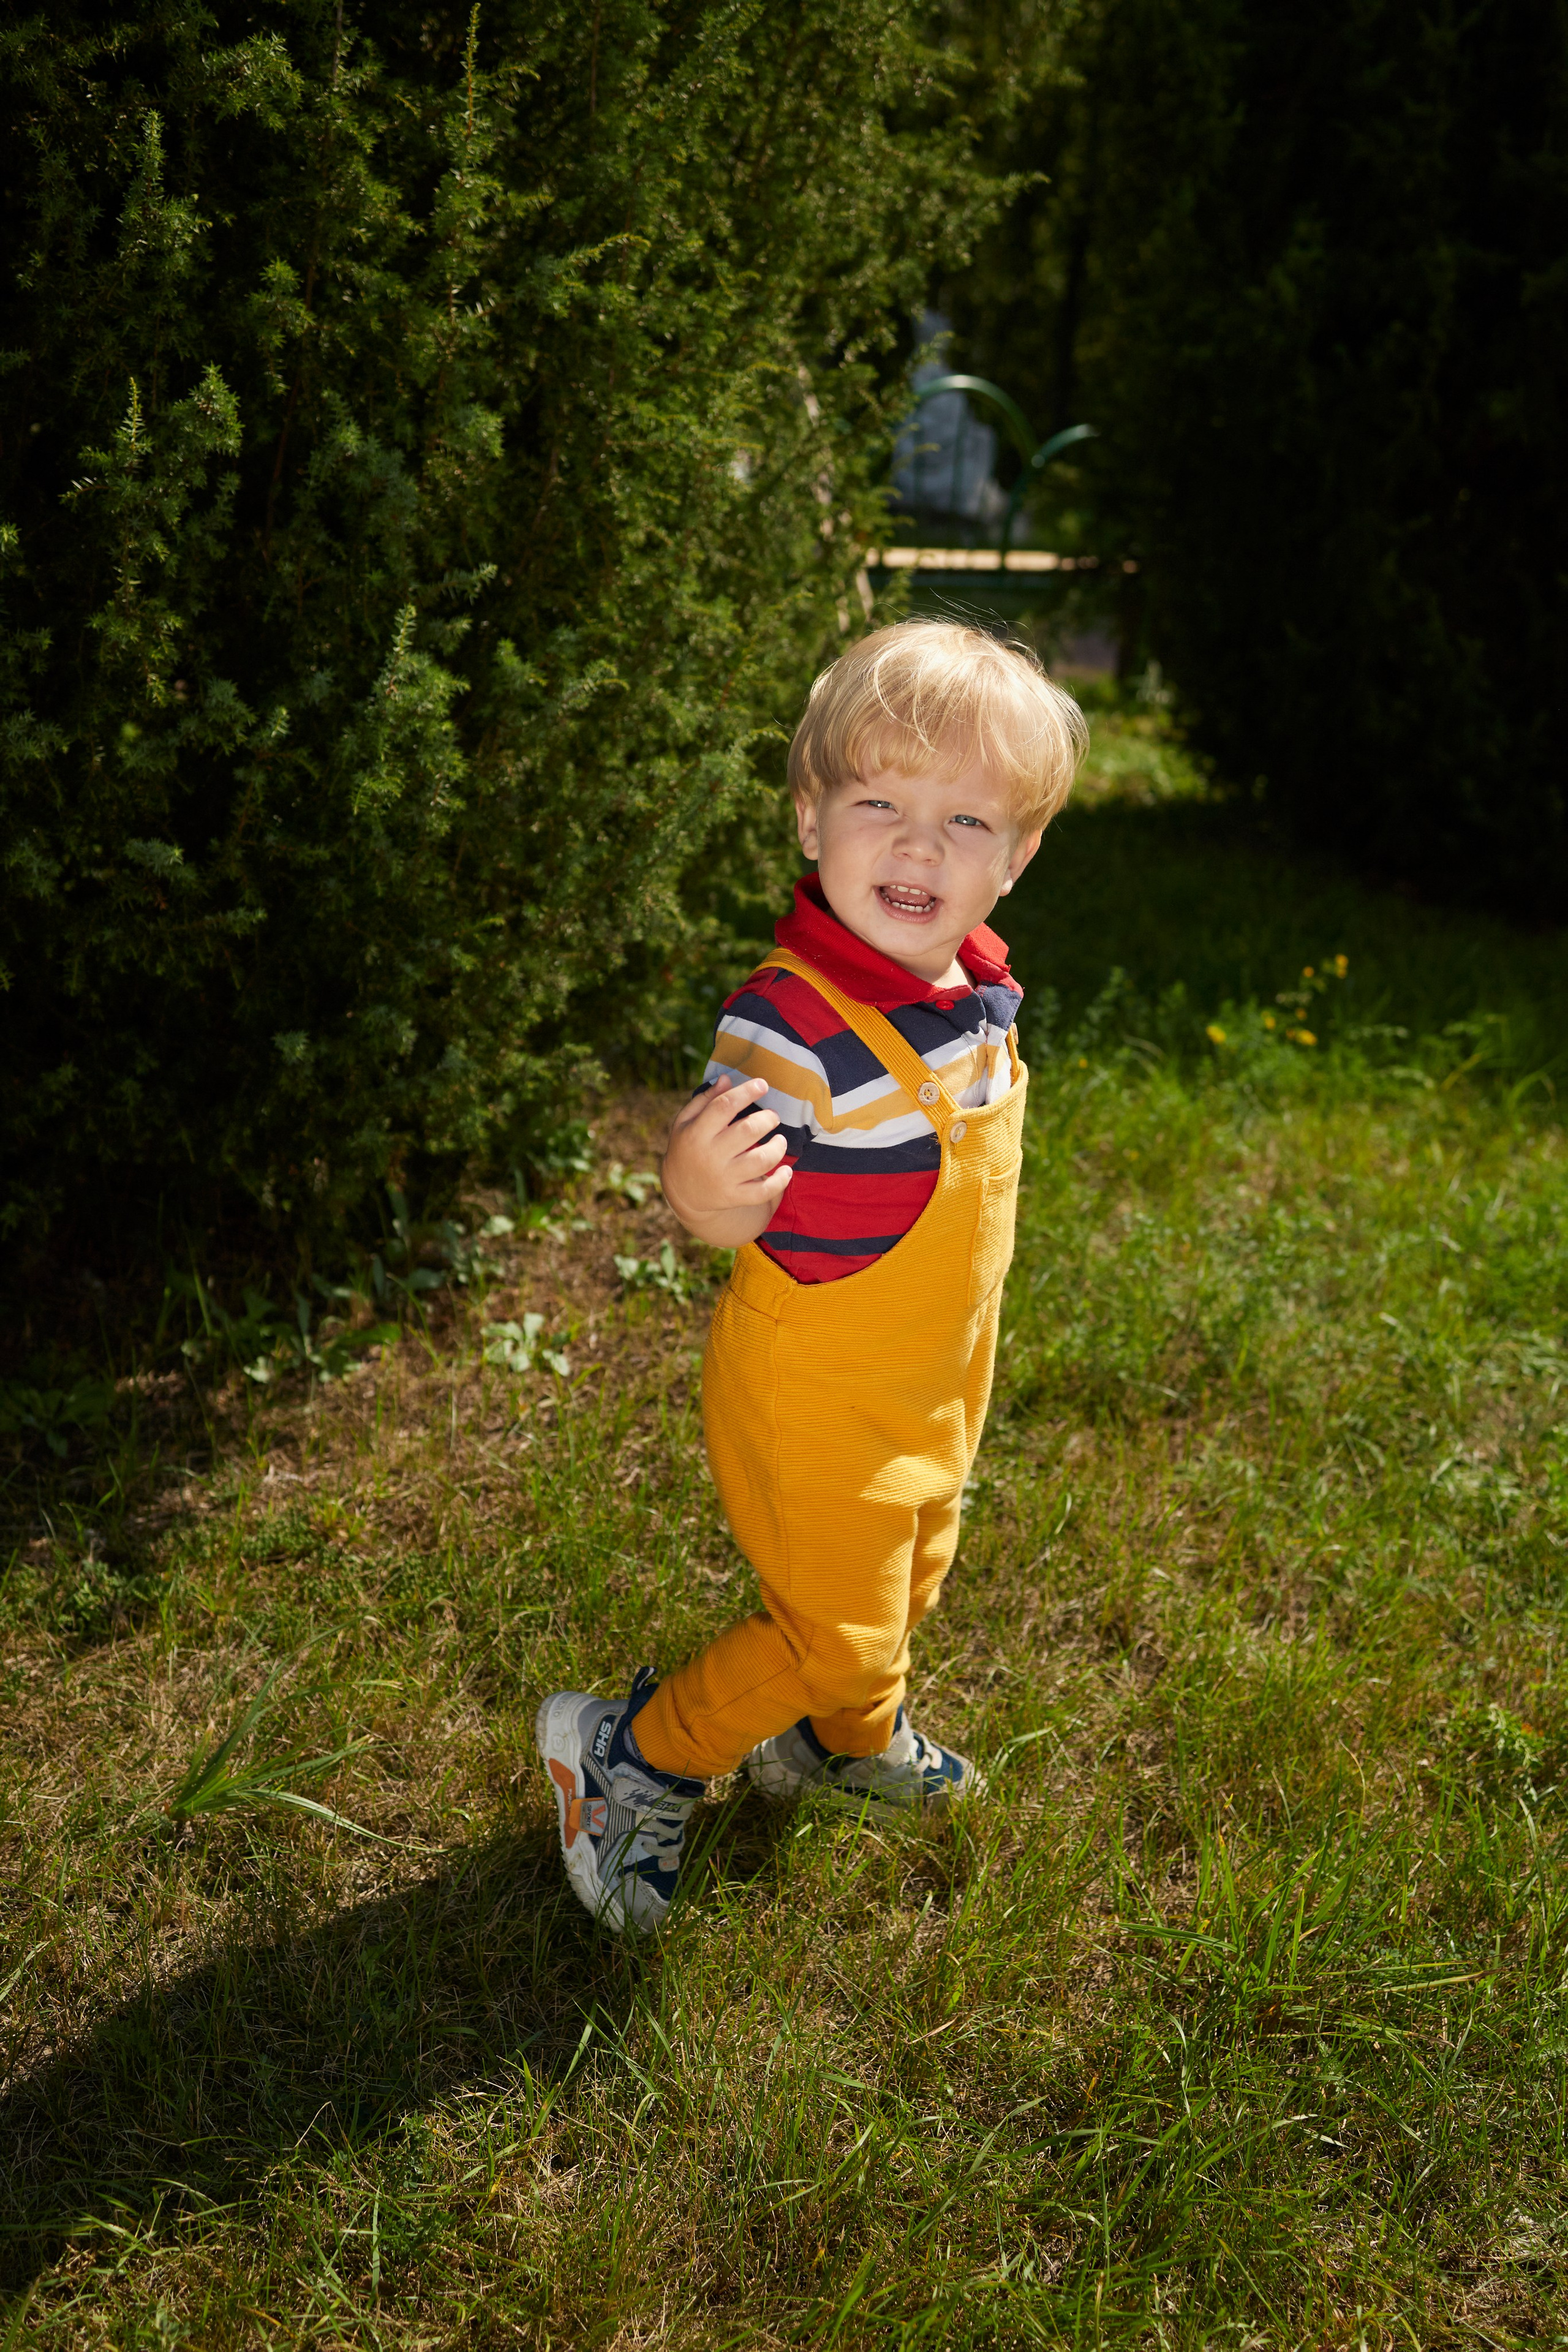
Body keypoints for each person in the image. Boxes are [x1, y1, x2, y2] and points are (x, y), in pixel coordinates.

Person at [536, 620, 1087, 1933]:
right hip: (813, 1400)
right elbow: (710, 1156)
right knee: (830, 1625)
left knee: (911, 1576)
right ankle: (634, 1753)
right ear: (809, 819)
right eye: (878, 803)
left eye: (963, 821)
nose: (915, 845)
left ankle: (839, 1741)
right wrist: (699, 1186)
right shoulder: (792, 1024)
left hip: (931, 1387)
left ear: (1013, 859)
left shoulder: (970, 989)